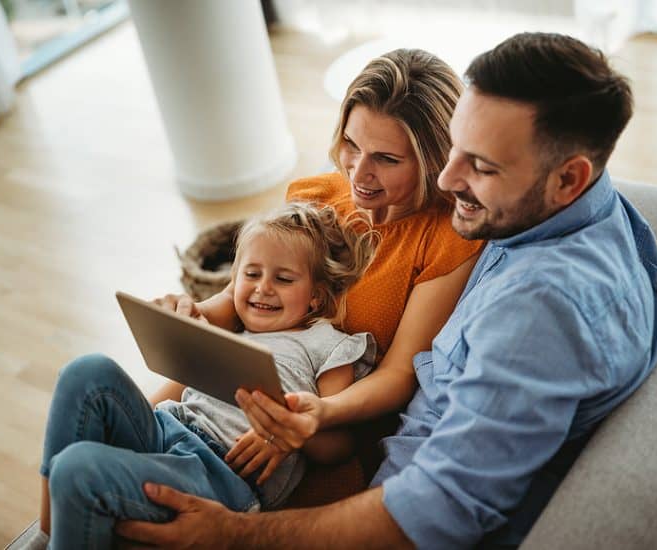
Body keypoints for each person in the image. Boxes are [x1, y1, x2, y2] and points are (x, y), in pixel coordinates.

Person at [115, 32, 657, 549]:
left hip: (359, 468)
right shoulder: (564, 206)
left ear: (568, 178)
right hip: (274, 401)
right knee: (102, 423)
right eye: (455, 149)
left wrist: (237, 534)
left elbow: (437, 506)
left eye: (480, 165)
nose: (448, 183)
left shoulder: (541, 313)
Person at [149, 48, 484, 485]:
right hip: (251, 374)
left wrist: (314, 416)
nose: (358, 173)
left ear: (433, 160)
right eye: (351, 144)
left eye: (386, 159)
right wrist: (192, 315)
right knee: (111, 428)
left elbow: (399, 374)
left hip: (333, 417)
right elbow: (240, 297)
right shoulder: (317, 195)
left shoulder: (446, 238)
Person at [23, 202, 380, 549]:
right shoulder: (233, 329)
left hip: (219, 474)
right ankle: (49, 531)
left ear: (316, 298)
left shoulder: (327, 343)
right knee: (85, 371)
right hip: (167, 430)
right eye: (251, 274)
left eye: (283, 279)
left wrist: (290, 433)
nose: (263, 288)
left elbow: (339, 445)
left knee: (76, 468)